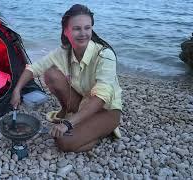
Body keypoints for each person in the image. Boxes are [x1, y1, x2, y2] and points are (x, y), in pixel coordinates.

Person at [10, 4, 122, 152]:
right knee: (51, 73)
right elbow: (34, 68)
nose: (83, 33)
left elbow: (101, 97)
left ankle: (100, 131)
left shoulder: (104, 55)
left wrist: (68, 124)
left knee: (63, 142)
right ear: (66, 31)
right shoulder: (64, 51)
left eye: (87, 28)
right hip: (83, 102)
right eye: (77, 28)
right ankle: (78, 120)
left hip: (106, 110)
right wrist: (17, 90)